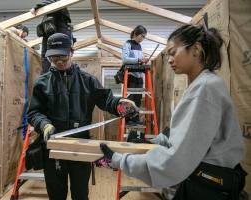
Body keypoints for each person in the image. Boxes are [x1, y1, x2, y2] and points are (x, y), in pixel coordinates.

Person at [99, 24, 247, 200]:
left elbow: (176, 161)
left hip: (210, 186)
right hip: (208, 180)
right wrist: (151, 140)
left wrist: (119, 160)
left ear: (196, 50)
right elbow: (186, 135)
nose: (169, 59)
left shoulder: (205, 88)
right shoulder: (201, 84)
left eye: (173, 52)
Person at [27, 33, 138, 200]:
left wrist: (121, 105)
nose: (59, 61)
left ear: (71, 52)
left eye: (63, 56)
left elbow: (107, 100)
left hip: (81, 146)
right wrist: (44, 125)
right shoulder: (42, 83)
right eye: (53, 57)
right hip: (54, 145)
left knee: (80, 194)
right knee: (56, 194)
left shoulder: (88, 81)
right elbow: (34, 112)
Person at [30, 0, 75, 74]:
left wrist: (37, 7)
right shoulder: (54, 15)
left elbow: (53, 1)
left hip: (58, 29)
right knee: (47, 56)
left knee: (60, 54)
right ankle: (47, 75)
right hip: (53, 31)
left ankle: (61, 74)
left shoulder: (59, 5)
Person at [122, 25, 149, 125]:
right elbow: (125, 60)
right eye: (142, 36)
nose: (143, 39)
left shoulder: (140, 46)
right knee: (130, 99)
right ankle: (128, 120)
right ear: (136, 34)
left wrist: (143, 60)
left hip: (139, 76)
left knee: (137, 99)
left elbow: (139, 60)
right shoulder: (127, 44)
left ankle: (135, 119)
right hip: (131, 75)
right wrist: (138, 60)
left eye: (144, 37)